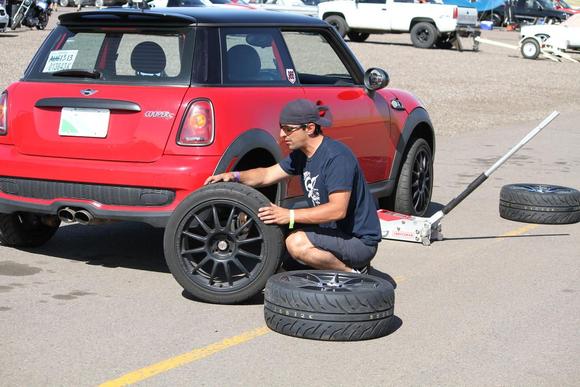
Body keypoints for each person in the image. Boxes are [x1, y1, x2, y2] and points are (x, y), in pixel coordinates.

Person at [204, 99, 382, 273]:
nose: (282, 135)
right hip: (328, 232)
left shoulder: (337, 158)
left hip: (358, 242)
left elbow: (337, 210)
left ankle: (354, 273)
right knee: (271, 238)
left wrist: (288, 215)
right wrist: (234, 176)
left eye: (288, 130)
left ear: (310, 128)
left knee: (296, 244)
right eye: (281, 128)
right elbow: (266, 175)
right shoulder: (301, 155)